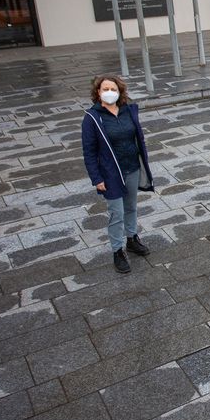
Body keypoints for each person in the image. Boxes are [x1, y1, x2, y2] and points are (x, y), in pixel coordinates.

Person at [81, 75, 155, 273]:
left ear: (120, 91)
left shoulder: (127, 111)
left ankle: (132, 239)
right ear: (98, 92)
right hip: (111, 174)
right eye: (105, 89)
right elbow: (89, 151)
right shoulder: (92, 118)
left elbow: (138, 138)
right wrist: (97, 178)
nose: (109, 92)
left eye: (113, 89)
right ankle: (117, 251)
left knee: (131, 207)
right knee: (116, 213)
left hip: (132, 167)